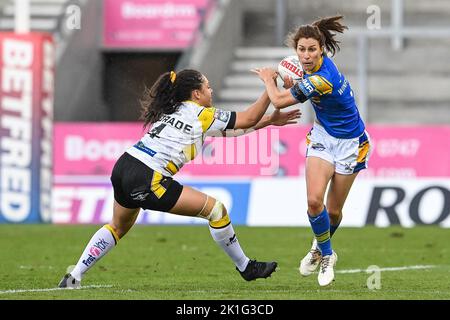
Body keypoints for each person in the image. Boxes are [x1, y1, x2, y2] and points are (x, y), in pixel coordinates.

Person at [58, 69, 301, 288]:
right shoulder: (201, 114)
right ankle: (246, 267)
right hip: (148, 176)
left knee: (117, 227)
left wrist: (270, 120)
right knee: (216, 211)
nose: (211, 90)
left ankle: (74, 275)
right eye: (207, 86)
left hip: (124, 165)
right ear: (196, 94)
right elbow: (247, 118)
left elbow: (235, 130)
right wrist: (270, 85)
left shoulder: (177, 109)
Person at [252, 15, 371, 287]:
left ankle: (318, 247)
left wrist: (268, 79)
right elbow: (299, 84)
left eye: (311, 50)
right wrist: (294, 81)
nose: (305, 56)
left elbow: (279, 100)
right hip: (322, 137)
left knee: (333, 212)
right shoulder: (307, 70)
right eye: (301, 50)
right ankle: (328, 255)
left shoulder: (322, 78)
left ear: (322, 50)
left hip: (352, 144)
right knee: (314, 202)